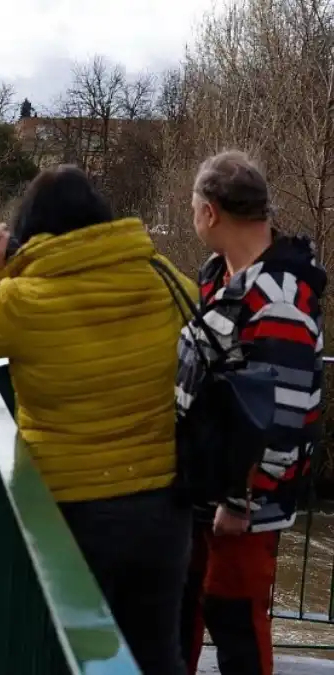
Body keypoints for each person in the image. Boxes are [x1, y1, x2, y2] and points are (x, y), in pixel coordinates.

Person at [0, 165, 193, 675]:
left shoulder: (24, 300)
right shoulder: (161, 277)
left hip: (74, 514)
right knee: (157, 655)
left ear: (31, 230)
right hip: (163, 505)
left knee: (83, 657)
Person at [177, 151, 326, 675]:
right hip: (206, 487)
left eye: (194, 205)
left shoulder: (279, 296)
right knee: (186, 611)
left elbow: (280, 412)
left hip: (242, 504)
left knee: (235, 621)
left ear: (210, 212)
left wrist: (241, 501)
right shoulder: (224, 276)